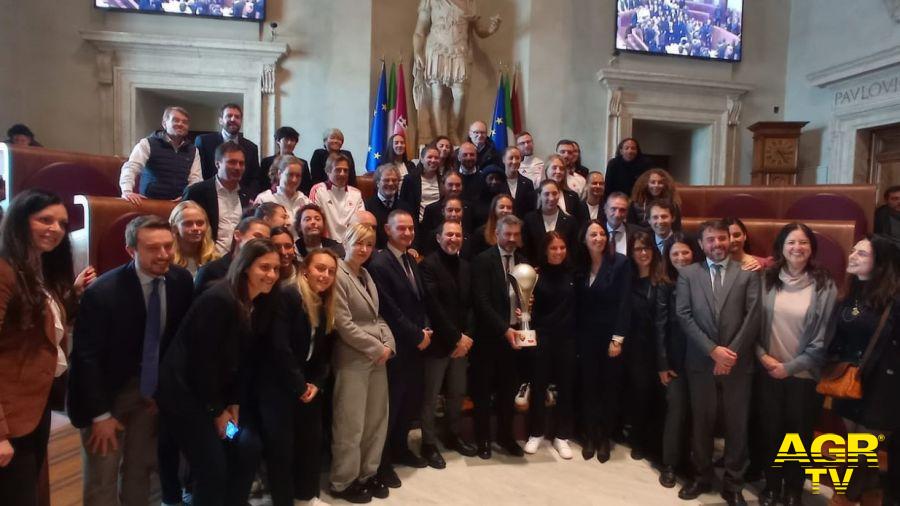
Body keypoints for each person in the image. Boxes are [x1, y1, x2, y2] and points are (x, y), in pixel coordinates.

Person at [68, 215, 194, 506]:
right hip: (105, 395)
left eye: (167, 246)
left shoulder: (180, 281)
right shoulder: (103, 292)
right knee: (103, 475)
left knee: (141, 469)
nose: (164, 255)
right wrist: (100, 416)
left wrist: (160, 389)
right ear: (131, 251)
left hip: (149, 394)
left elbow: (176, 342)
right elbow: (87, 359)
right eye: (153, 248)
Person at [158, 239, 280, 505]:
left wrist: (234, 402)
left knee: (243, 447)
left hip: (216, 398)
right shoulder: (219, 299)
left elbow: (240, 360)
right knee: (211, 466)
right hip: (187, 397)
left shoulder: (253, 302)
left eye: (275, 269)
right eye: (264, 267)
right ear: (246, 267)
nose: (271, 274)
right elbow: (202, 363)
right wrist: (217, 412)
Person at [675, 219, 761, 505]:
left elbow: (752, 318)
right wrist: (713, 351)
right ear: (701, 244)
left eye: (721, 238)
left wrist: (728, 354)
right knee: (702, 423)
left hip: (738, 364)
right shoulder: (688, 274)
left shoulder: (748, 275)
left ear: (731, 240)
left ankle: (733, 483)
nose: (717, 244)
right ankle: (702, 476)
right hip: (700, 362)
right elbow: (684, 316)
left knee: (737, 426)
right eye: (710, 240)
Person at [0, 190, 75, 504]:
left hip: (36, 404)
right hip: (10, 413)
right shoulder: (4, 271)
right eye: (45, 219)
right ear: (20, 221)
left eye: (61, 222)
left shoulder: (39, 270)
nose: (55, 228)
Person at [755, 223, 836, 506]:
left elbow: (823, 339)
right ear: (781, 247)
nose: (797, 248)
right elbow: (751, 325)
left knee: (798, 436)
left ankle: (793, 489)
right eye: (791, 242)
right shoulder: (766, 279)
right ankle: (772, 486)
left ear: (811, 248)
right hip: (767, 369)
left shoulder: (824, 284)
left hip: (803, 375)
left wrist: (787, 368)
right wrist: (763, 356)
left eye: (803, 243)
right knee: (770, 431)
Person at [258, 248, 339, 506]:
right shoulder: (287, 295)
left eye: (331, 271)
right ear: (305, 269)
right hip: (280, 385)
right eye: (320, 268)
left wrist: (316, 383)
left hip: (307, 385)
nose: (325, 275)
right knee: (282, 450)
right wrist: (298, 384)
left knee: (309, 444)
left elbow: (323, 353)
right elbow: (279, 347)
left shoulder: (325, 302)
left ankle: (306, 496)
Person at [824, 235, 899, 505]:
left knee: (863, 448)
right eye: (853, 251)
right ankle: (869, 496)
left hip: (885, 390)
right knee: (857, 448)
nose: (852, 256)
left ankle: (842, 498)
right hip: (850, 383)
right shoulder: (851, 294)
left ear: (881, 263)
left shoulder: (895, 300)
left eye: (862, 254)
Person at [329, 224, 396, 503]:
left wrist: (389, 345)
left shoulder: (366, 274)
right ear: (346, 241)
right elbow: (343, 323)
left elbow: (376, 318)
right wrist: (376, 346)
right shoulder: (339, 274)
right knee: (350, 423)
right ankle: (343, 481)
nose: (364, 249)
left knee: (375, 421)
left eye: (369, 244)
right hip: (353, 358)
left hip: (377, 356)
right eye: (359, 243)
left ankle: (367, 473)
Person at [367, 211, 432, 484]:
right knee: (390, 408)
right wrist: (416, 334)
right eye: (400, 228)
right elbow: (389, 309)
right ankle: (381, 462)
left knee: (408, 404)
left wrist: (425, 330)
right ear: (387, 229)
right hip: (397, 345)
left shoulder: (410, 258)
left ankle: (401, 448)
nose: (406, 233)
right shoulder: (380, 263)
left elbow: (420, 299)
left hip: (417, 345)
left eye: (410, 228)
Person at [419, 220, 478, 466]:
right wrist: (456, 337)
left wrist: (467, 337)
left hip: (461, 344)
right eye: (449, 234)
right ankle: (428, 443)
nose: (453, 238)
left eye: (458, 234)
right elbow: (433, 307)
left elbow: (472, 306)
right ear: (438, 237)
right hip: (439, 343)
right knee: (430, 397)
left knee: (457, 393)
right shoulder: (428, 266)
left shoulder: (466, 266)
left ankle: (452, 435)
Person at [470, 215, 527, 459]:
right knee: (482, 391)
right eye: (508, 234)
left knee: (508, 390)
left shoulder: (523, 262)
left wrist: (526, 307)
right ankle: (483, 439)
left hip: (515, 338)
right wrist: (504, 329)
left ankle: (506, 437)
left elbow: (524, 296)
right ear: (497, 234)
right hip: (489, 337)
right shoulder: (483, 261)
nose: (512, 239)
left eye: (516, 234)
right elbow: (481, 302)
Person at [577, 220, 632, 463]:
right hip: (585, 338)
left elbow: (624, 302)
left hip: (611, 338)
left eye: (601, 233)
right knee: (588, 387)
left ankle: (604, 438)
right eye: (593, 234)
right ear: (584, 239)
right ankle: (589, 435)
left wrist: (617, 339)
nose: (598, 237)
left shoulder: (619, 263)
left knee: (608, 389)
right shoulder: (579, 265)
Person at [522, 232, 577, 460]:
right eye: (553, 248)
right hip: (542, 337)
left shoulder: (574, 273)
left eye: (562, 247)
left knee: (566, 386)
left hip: (567, 338)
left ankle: (561, 436)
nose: (558, 252)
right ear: (545, 250)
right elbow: (527, 308)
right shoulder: (535, 275)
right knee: (539, 384)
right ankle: (536, 433)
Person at [413, 0, 500, 143]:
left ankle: (452, 130)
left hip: (459, 48)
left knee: (460, 93)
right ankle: (441, 137)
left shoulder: (469, 2)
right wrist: (417, 51)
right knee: (438, 94)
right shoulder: (431, 1)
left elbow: (480, 31)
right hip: (436, 48)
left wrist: (491, 29)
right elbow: (419, 32)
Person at [656, 232, 697, 488]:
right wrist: (662, 363)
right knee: (676, 412)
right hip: (675, 361)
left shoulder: (704, 278)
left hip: (702, 360)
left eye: (685, 252)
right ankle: (670, 464)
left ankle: (692, 463)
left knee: (698, 417)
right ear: (668, 258)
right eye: (675, 254)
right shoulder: (664, 283)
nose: (681, 258)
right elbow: (659, 326)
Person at [624, 230, 669, 461]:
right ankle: (638, 439)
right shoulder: (627, 279)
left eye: (647, 248)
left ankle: (654, 442)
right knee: (638, 395)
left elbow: (663, 322)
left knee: (658, 398)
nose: (643, 253)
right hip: (634, 348)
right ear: (631, 252)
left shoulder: (662, 280)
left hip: (658, 349)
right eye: (638, 249)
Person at [120, 106, 202, 203]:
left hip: (179, 205)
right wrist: (127, 191)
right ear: (164, 124)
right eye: (175, 120)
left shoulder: (193, 150)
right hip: (150, 203)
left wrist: (188, 196)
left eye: (185, 122)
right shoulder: (147, 143)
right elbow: (131, 167)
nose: (180, 124)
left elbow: (196, 178)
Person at [182, 141, 252, 255]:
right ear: (217, 164)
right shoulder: (197, 192)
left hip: (238, 262)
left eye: (241, 163)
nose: (238, 167)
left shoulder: (246, 194)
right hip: (205, 260)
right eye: (232, 162)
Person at [194, 103, 263, 198]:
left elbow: (255, 178)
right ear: (221, 120)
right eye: (229, 116)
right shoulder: (204, 142)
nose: (233, 119)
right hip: (210, 196)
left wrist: (249, 196)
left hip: (241, 198)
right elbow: (199, 172)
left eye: (237, 117)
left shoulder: (251, 147)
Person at [194, 216, 270, 294]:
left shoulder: (266, 274)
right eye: (257, 236)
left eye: (266, 240)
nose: (262, 242)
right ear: (237, 235)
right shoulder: (211, 270)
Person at [310, 153, 364, 244]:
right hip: (326, 245)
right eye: (338, 170)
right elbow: (314, 222)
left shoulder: (356, 194)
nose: (342, 174)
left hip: (351, 245)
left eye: (345, 170)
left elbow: (361, 223)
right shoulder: (318, 190)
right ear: (328, 171)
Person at [523, 180, 578, 263]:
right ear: (539, 196)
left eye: (555, 193)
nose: (551, 198)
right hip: (537, 271)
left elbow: (573, 251)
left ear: (559, 195)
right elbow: (527, 249)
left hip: (563, 271)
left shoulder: (570, 221)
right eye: (546, 194)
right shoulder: (529, 219)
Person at [365, 164, 415, 249]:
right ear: (377, 183)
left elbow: (414, 230)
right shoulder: (367, 206)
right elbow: (366, 235)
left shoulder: (405, 207)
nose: (391, 183)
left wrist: (413, 248)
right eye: (386, 180)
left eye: (394, 180)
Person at [254, 155, 310, 229]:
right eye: (290, 175)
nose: (294, 180)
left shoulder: (305, 201)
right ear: (279, 174)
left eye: (298, 175)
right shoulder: (264, 199)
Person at [169, 200, 220, 277]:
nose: (195, 228)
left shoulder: (214, 259)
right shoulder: (167, 259)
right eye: (188, 224)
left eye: (200, 223)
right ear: (175, 228)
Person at [418, 170, 471, 241]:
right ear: (442, 185)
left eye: (458, 185)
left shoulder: (469, 208)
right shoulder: (431, 209)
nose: (454, 188)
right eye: (450, 185)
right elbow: (425, 238)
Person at [260, 127, 311, 195]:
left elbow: (306, 188)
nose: (289, 143)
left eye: (292, 140)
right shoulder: (267, 162)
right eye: (286, 140)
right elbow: (262, 185)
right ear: (278, 141)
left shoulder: (302, 163)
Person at [399, 145, 443, 224]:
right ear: (422, 159)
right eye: (429, 157)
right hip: (417, 224)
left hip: (438, 225)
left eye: (436, 158)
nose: (433, 160)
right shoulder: (410, 179)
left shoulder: (443, 180)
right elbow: (403, 204)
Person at [603, 138, 651, 202]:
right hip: (617, 200)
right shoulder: (613, 164)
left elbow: (646, 186)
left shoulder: (645, 164)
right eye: (626, 148)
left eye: (633, 148)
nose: (630, 151)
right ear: (621, 151)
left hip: (638, 201)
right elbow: (608, 186)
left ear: (637, 151)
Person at [469, 193, 514, 259]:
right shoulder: (481, 233)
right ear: (494, 209)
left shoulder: (518, 232)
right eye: (502, 207)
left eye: (509, 208)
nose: (505, 210)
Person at [543, 154, 584, 222]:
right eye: (554, 168)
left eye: (562, 169)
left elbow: (578, 222)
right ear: (546, 170)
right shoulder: (535, 195)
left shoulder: (573, 196)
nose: (558, 171)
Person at [500, 146, 537, 218]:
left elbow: (531, 209)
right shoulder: (498, 181)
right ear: (503, 160)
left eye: (517, 158)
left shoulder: (528, 183)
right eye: (511, 158)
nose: (514, 161)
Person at [603, 191, 642, 257]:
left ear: (627, 212)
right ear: (605, 209)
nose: (617, 214)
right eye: (613, 209)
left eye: (622, 210)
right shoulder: (595, 232)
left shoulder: (637, 232)